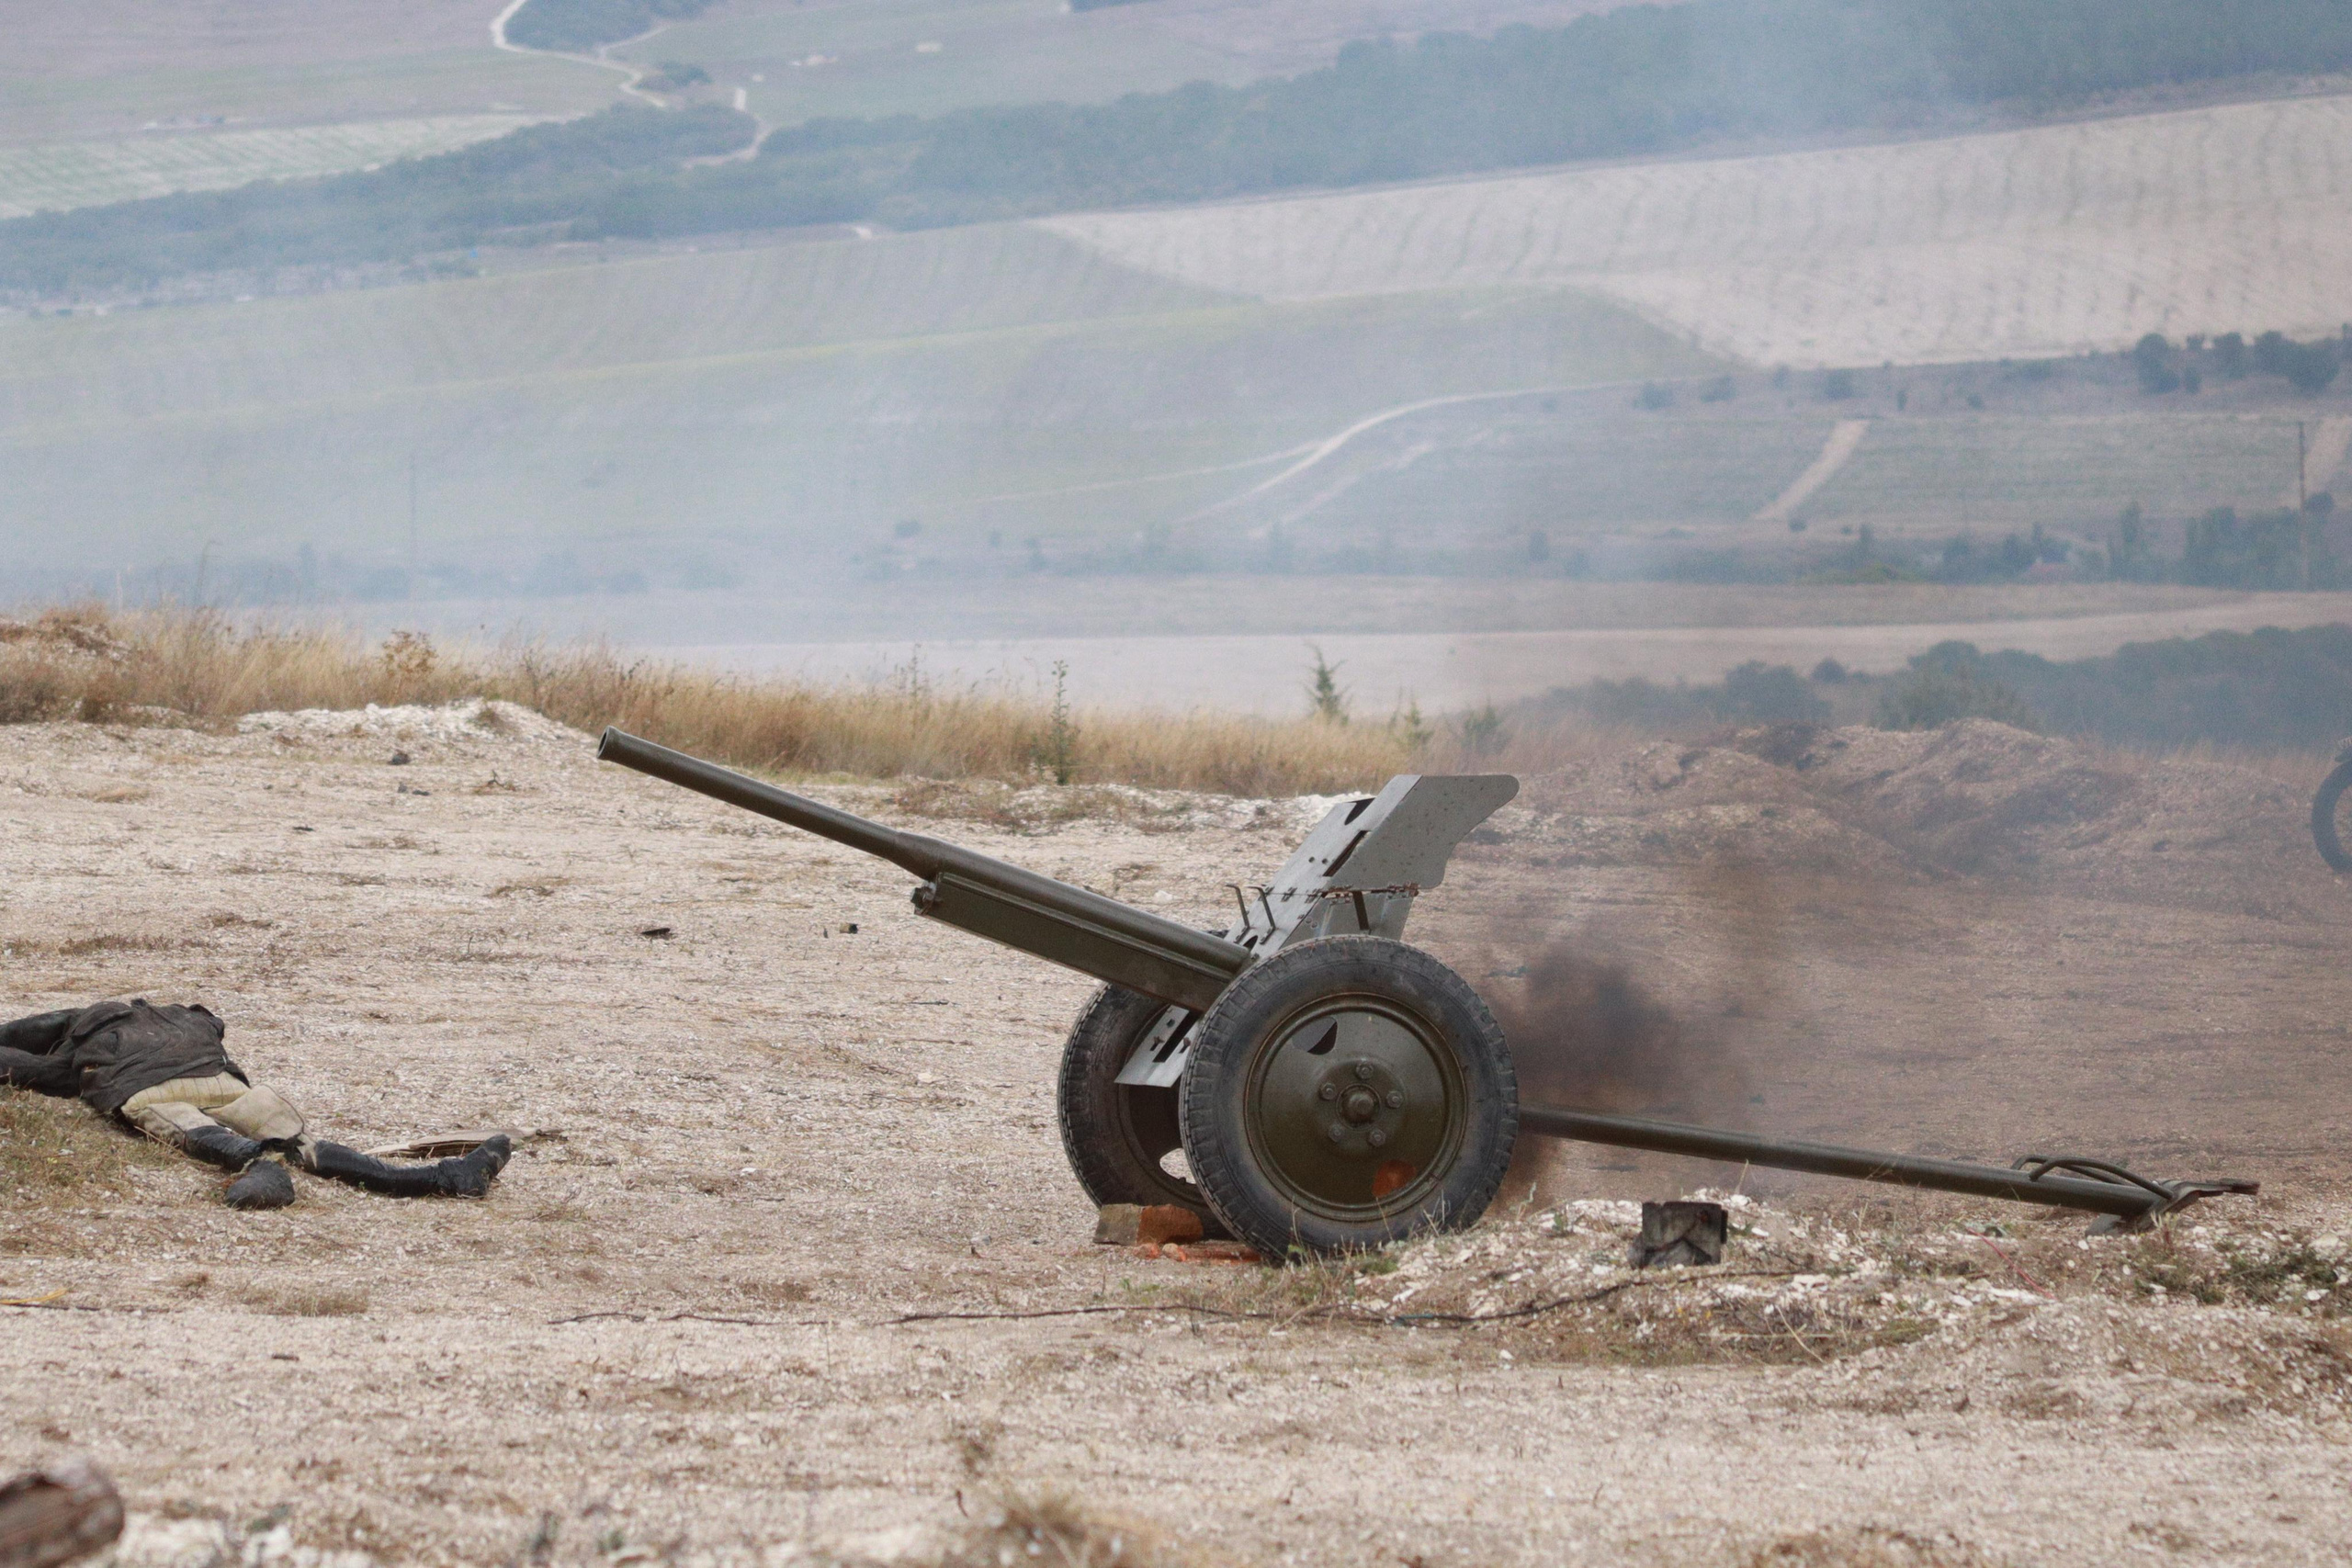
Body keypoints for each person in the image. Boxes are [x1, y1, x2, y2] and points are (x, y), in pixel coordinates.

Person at [0, 998, 509, 1202]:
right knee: (303, 1142)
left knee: (208, 1138)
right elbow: (217, 1028)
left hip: (148, 1090)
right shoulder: (186, 1015)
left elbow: (30, 1064)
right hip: (225, 1082)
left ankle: (260, 1173)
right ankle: (447, 1177)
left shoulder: (85, 1029)